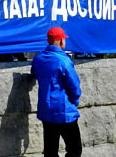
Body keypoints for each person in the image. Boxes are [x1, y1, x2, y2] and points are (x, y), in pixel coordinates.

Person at [31, 27, 82, 157]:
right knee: (75, 150)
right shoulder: (64, 60)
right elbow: (74, 86)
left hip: (46, 110)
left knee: (50, 151)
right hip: (64, 111)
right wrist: (75, 101)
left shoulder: (38, 59)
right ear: (61, 41)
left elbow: (34, 74)